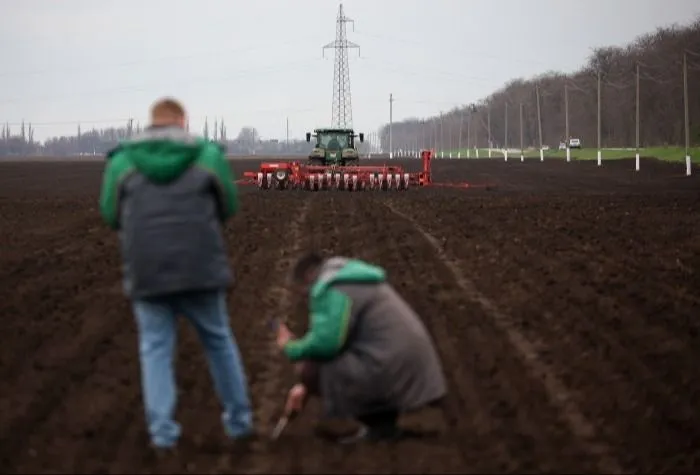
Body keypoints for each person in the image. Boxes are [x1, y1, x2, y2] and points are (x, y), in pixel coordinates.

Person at [98, 98, 253, 451]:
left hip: (147, 271)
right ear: (183, 122)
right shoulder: (207, 156)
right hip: (201, 267)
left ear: (150, 124)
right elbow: (229, 205)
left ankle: (163, 435)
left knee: (154, 349)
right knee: (218, 342)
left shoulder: (122, 161)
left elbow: (110, 214)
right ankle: (239, 423)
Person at [275, 252, 447, 443]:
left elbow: (327, 345)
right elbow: (343, 338)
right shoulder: (350, 278)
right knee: (319, 366)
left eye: (303, 291)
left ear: (309, 277)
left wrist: (291, 348)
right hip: (410, 364)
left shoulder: (333, 288)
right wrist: (304, 388)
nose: (306, 297)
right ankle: (383, 426)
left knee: (311, 369)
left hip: (391, 366)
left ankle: (367, 425)